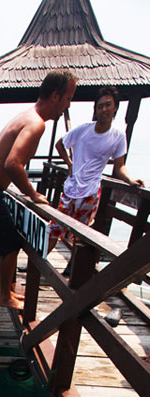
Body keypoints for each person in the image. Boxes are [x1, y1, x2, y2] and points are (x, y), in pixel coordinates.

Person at [0, 69, 78, 310]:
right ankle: (4, 295)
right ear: (55, 96)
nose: (68, 105)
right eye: (68, 98)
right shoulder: (36, 123)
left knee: (5, 242)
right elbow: (12, 163)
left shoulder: (28, 116)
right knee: (11, 244)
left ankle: (7, 290)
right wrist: (33, 194)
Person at [49, 86, 145, 271]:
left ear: (115, 107)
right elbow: (60, 144)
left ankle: (72, 267)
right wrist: (69, 164)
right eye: (100, 106)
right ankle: (40, 263)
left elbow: (120, 167)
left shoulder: (118, 137)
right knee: (55, 227)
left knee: (82, 232)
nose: (104, 110)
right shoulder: (84, 130)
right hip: (71, 188)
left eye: (108, 105)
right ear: (95, 109)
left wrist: (131, 181)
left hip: (91, 191)